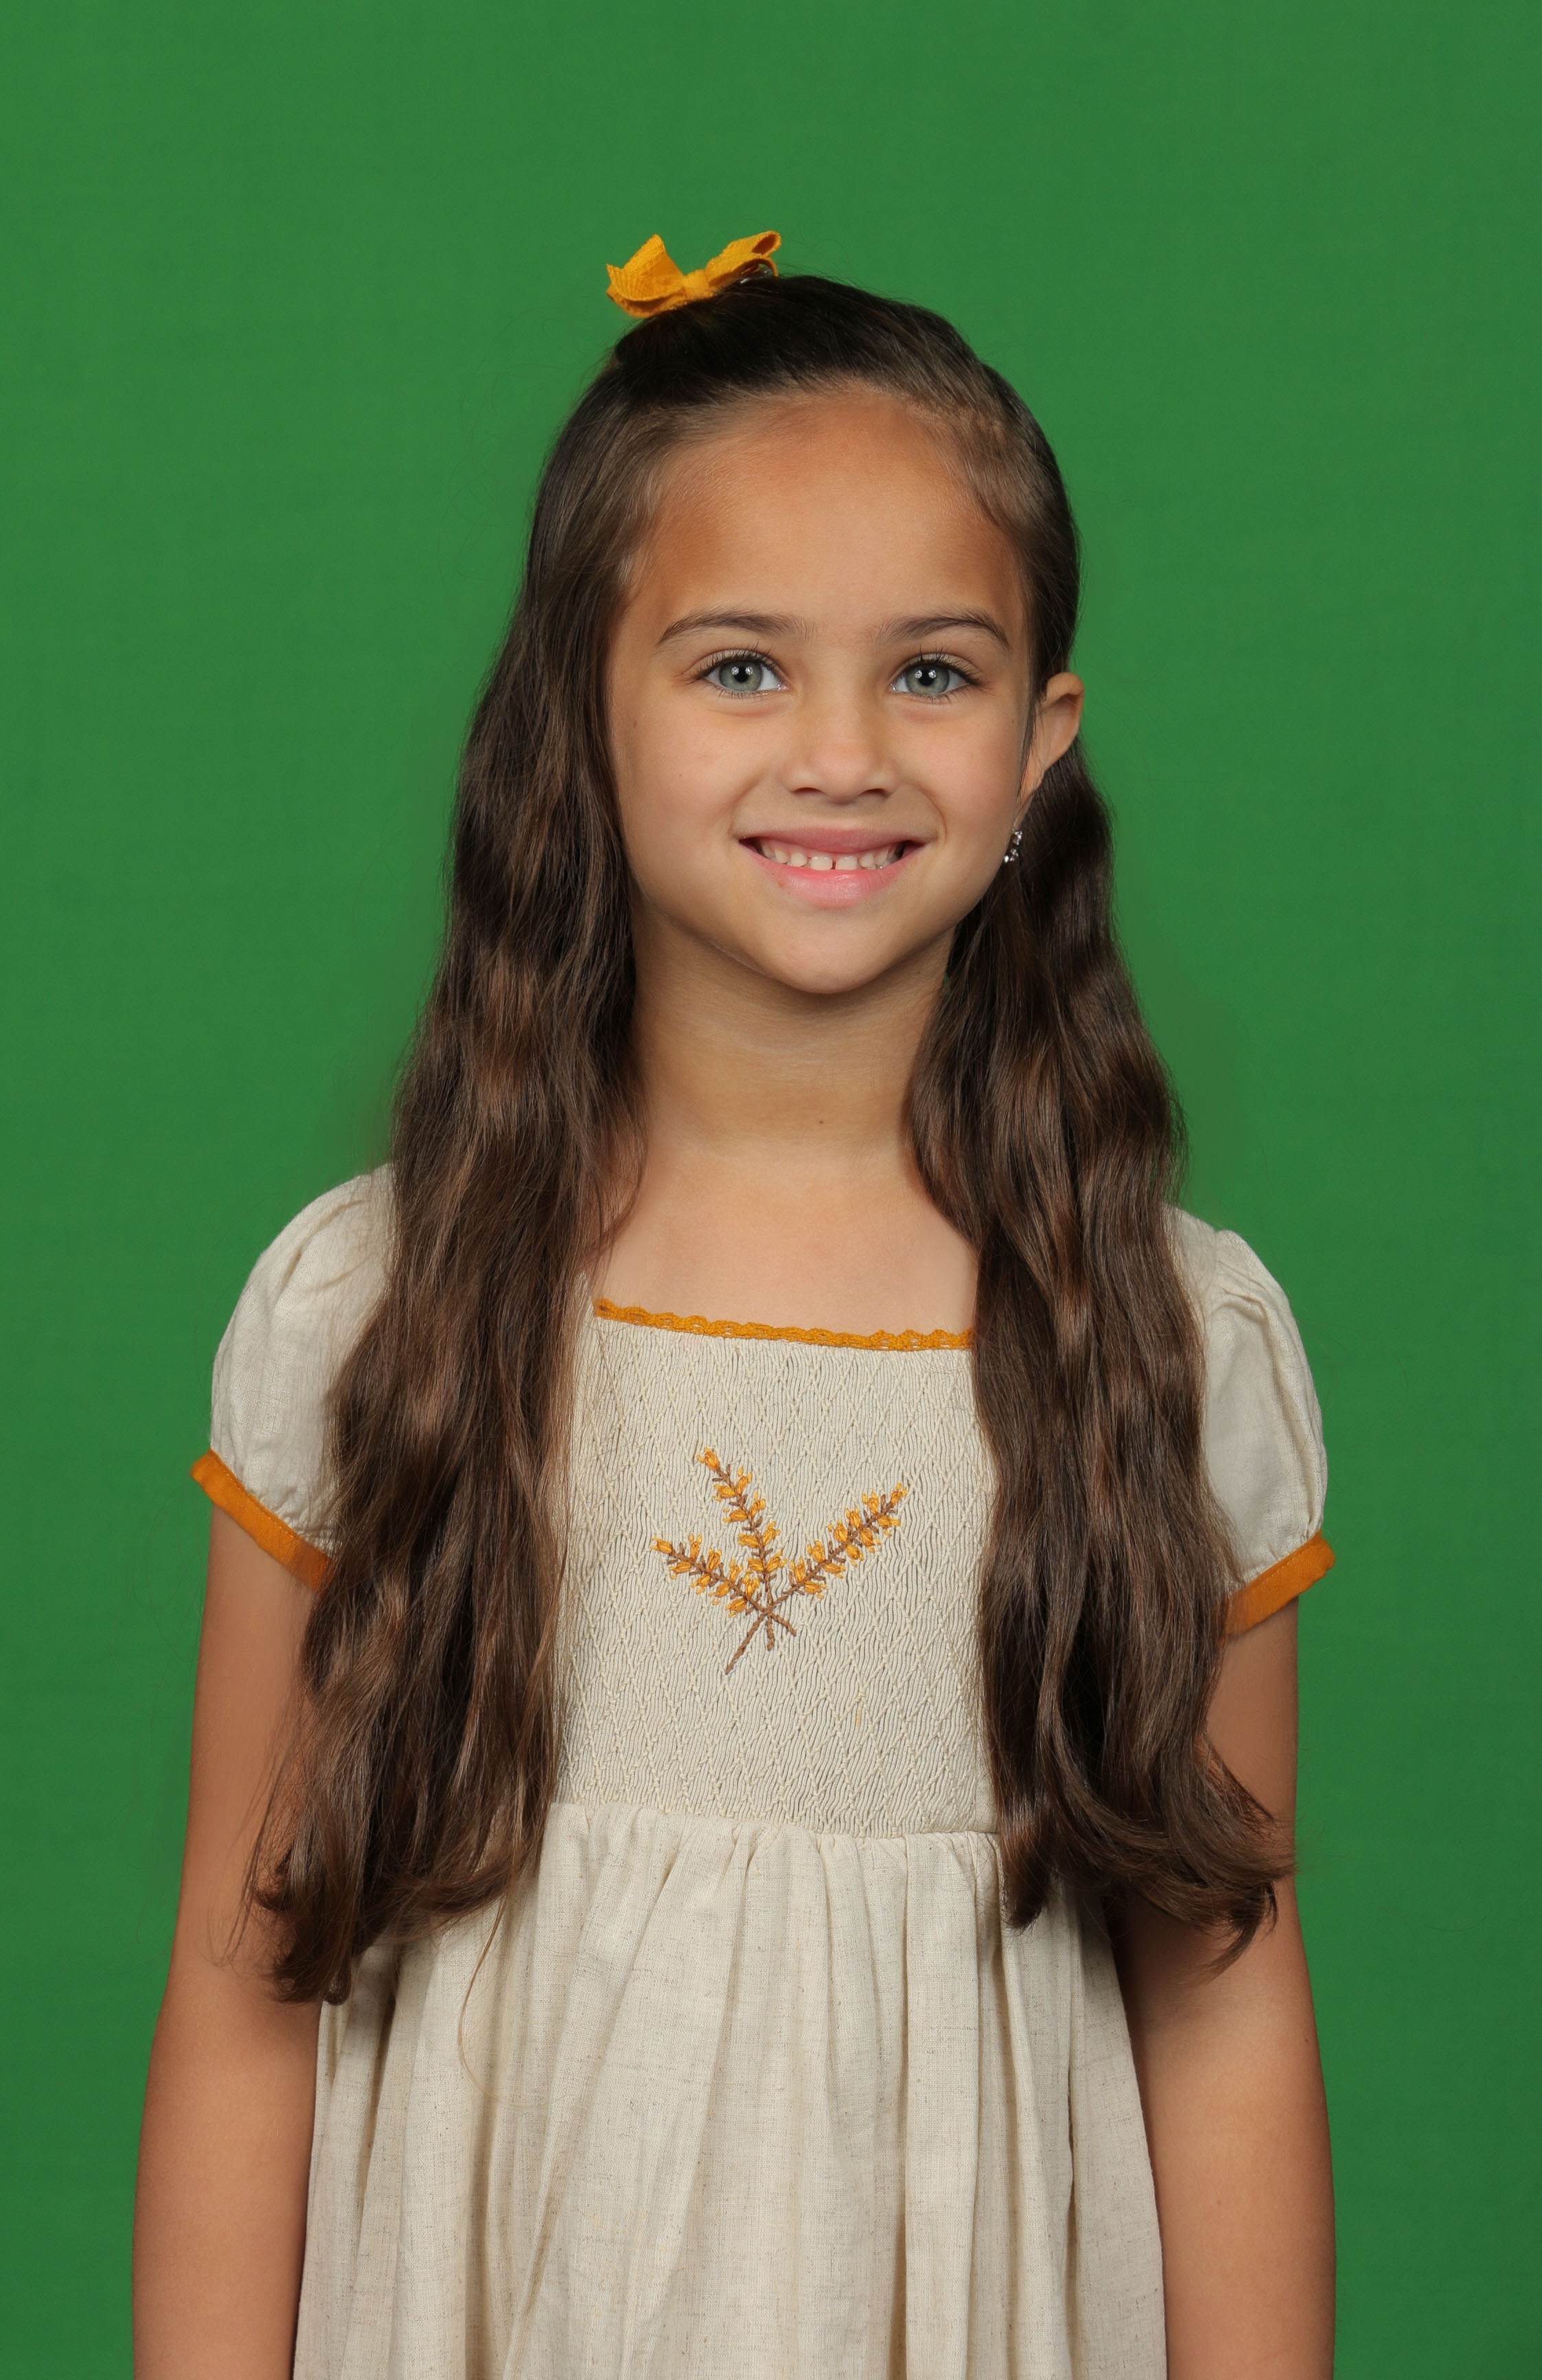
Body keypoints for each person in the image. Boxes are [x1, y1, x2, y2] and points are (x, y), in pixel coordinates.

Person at [134, 232, 1337, 2379]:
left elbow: (1225, 2005)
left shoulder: (1169, 1344)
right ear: (582, 712)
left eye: (935, 674)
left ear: (1044, 742)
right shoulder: (375, 1312)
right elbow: (248, 1977)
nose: (844, 753)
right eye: (742, 669)